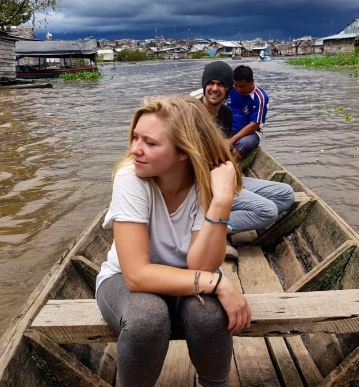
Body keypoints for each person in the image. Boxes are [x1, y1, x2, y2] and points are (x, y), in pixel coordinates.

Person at [95, 95, 251, 387]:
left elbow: (200, 264)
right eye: (135, 137)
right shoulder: (130, 178)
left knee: (209, 315)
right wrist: (218, 283)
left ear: (183, 152)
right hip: (123, 282)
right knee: (147, 318)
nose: (134, 150)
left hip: (186, 282)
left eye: (150, 143)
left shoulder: (207, 182)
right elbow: (137, 276)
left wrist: (222, 201)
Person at [201, 61, 294, 235]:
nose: (215, 88)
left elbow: (250, 128)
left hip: (226, 180)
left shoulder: (226, 114)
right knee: (268, 211)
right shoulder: (192, 113)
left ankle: (220, 220)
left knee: (286, 194)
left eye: (221, 84)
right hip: (203, 186)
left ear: (229, 89)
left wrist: (233, 177)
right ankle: (203, 228)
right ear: (204, 85)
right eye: (211, 83)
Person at [227, 65, 268, 160]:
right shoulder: (230, 89)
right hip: (229, 129)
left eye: (242, 86)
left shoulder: (260, 97)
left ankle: (234, 166)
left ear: (251, 82)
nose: (238, 89)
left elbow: (254, 125)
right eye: (236, 86)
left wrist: (232, 140)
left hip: (251, 133)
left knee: (243, 144)